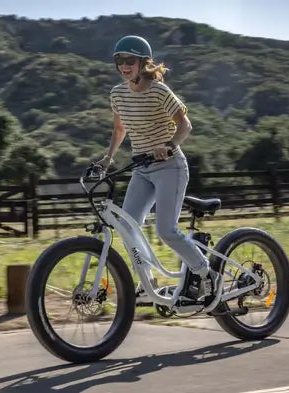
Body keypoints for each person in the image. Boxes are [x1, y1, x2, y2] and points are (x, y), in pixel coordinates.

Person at [97, 35, 219, 304]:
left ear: (143, 62)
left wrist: (170, 144)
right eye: (119, 60)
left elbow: (185, 125)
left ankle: (205, 273)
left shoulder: (159, 91)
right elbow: (119, 129)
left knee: (166, 230)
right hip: (142, 168)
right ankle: (148, 283)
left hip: (169, 167)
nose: (124, 66)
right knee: (128, 227)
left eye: (130, 60)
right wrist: (108, 159)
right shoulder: (117, 94)